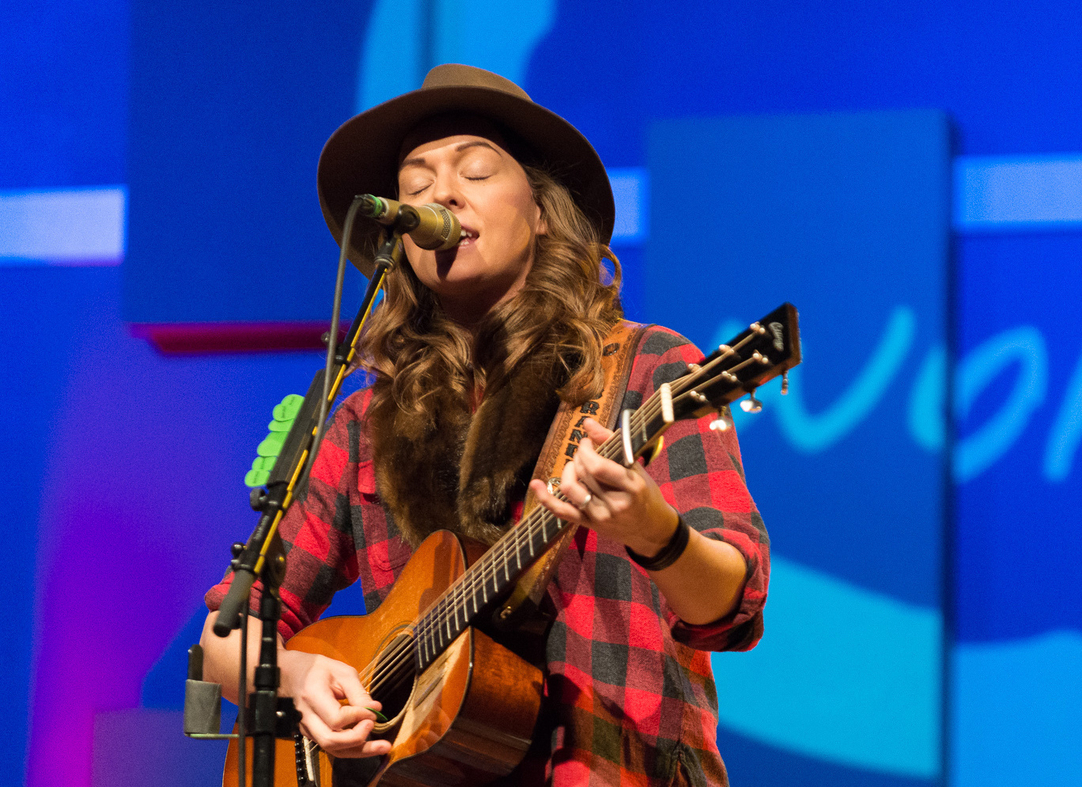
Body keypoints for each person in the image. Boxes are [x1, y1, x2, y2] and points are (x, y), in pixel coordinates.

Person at [198, 64, 770, 786]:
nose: (441, 194)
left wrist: (656, 531)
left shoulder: (647, 367)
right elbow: (226, 638)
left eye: (474, 170)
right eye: (415, 186)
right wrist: (302, 674)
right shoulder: (363, 418)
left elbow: (731, 606)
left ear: (540, 212)